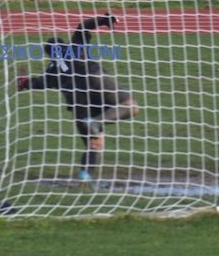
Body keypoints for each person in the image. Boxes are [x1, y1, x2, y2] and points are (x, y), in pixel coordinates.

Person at [17, 14, 139, 183]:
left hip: (78, 103)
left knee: (93, 142)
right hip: (95, 80)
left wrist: (23, 83)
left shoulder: (52, 72)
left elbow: (37, 83)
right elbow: (82, 27)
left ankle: (84, 176)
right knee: (130, 106)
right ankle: (96, 122)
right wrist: (104, 20)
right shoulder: (73, 48)